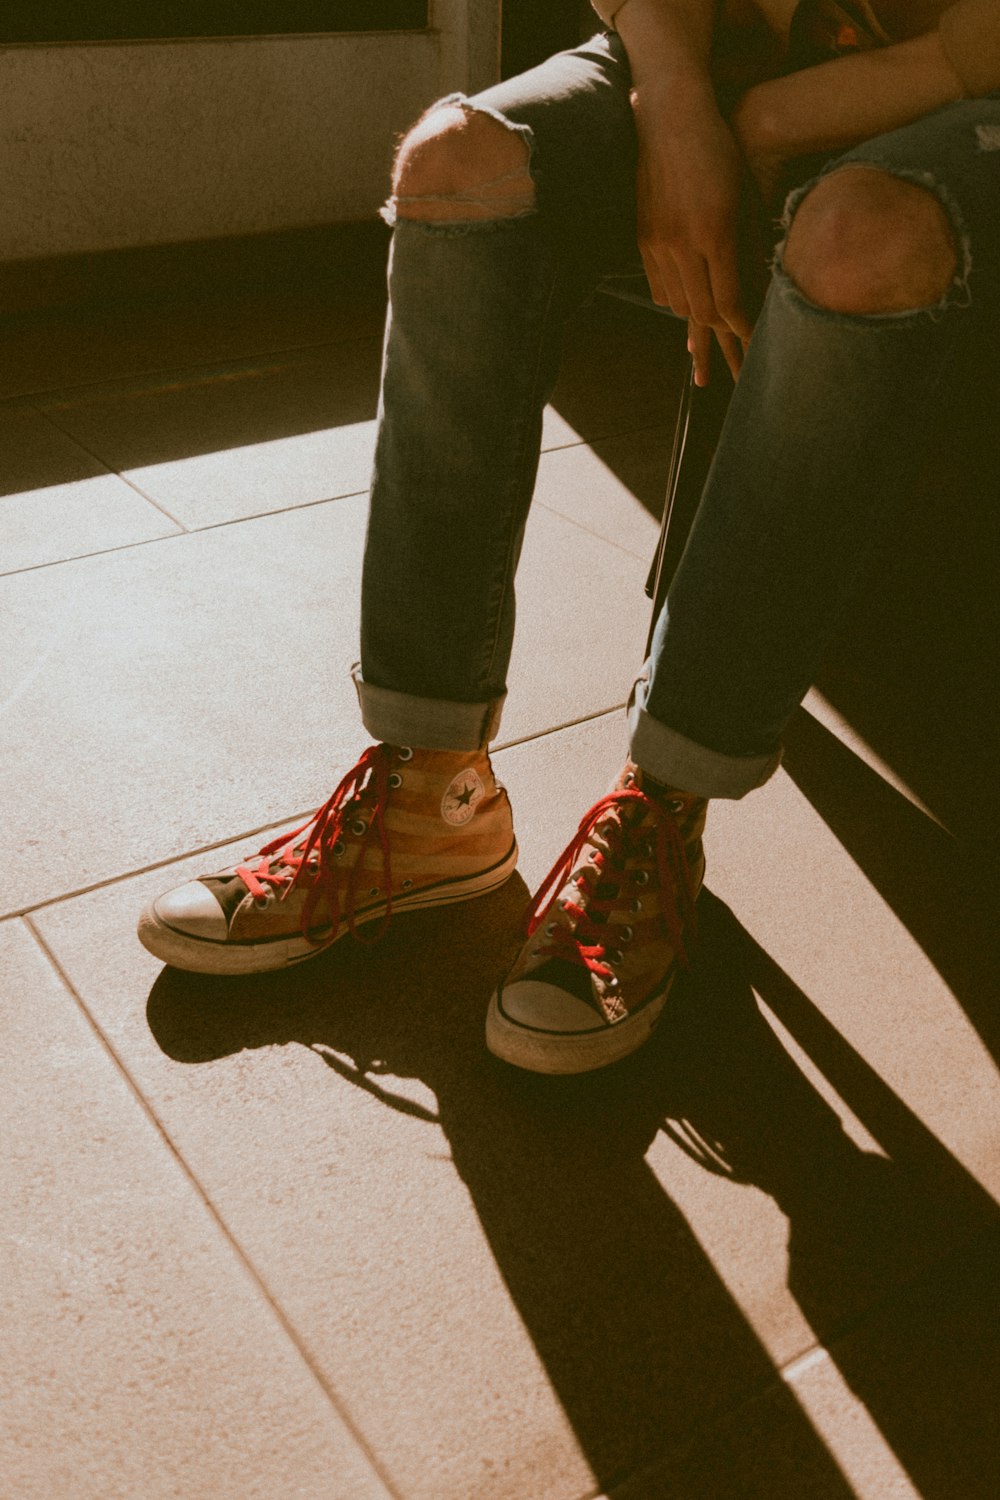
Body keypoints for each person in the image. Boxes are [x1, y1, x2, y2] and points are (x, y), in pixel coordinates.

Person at [138, 0, 1000, 1075]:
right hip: (714, 50)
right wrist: (679, 105)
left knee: (858, 235)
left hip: (958, 93)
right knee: (459, 161)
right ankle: (429, 791)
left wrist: (766, 124)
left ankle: (663, 808)